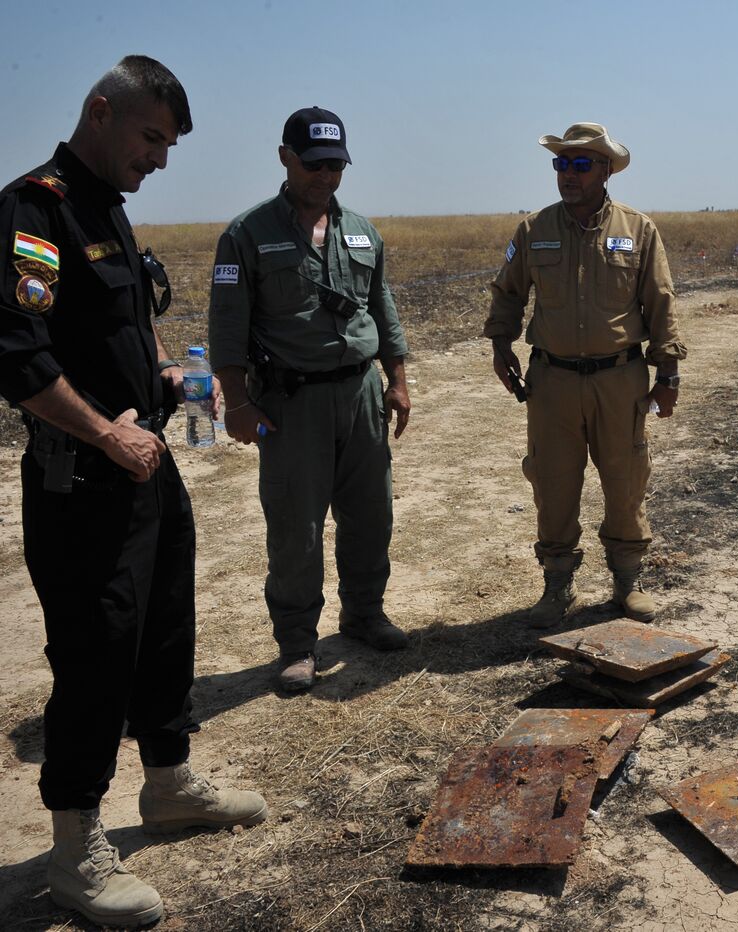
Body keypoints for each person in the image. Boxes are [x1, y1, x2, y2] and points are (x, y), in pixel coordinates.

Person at [0, 56, 266, 928]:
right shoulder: (34, 208)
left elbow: (120, 328)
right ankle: (76, 848)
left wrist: (164, 374)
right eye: (151, 137)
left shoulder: (107, 207)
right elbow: (19, 357)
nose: (159, 158)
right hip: (81, 479)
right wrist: (107, 430)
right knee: (96, 652)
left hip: (147, 466)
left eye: (169, 145)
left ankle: (169, 782)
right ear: (101, 111)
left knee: (165, 627)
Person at [208, 107, 411, 693]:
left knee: (371, 513)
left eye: (337, 165)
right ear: (286, 158)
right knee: (296, 527)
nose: (327, 176)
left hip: (361, 394)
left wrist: (396, 380)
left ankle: (364, 614)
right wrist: (240, 403)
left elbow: (384, 310)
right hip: (291, 404)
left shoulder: (363, 232)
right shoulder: (246, 234)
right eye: (316, 164)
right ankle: (297, 644)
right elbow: (228, 328)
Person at [485, 122, 685, 628]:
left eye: (580, 164)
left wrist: (669, 372)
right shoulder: (534, 229)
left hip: (620, 379)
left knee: (625, 480)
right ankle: (556, 586)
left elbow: (660, 302)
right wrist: (500, 343)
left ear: (604, 169)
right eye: (561, 164)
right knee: (553, 483)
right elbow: (507, 291)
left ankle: (627, 583)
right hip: (551, 381)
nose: (568, 174)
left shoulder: (638, 230)